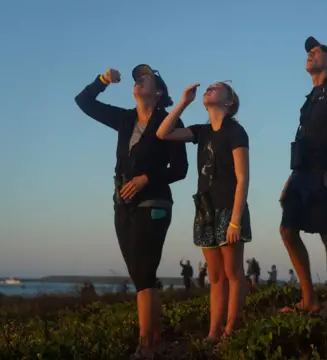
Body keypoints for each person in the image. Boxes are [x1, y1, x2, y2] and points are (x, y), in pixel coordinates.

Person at [74, 65, 188, 359]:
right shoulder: (125, 119)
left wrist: (146, 178)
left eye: (145, 78)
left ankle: (146, 346)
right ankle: (153, 340)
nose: (138, 81)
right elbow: (83, 102)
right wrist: (102, 81)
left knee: (143, 272)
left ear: (158, 92)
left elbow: (180, 169)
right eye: (137, 78)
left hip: (154, 204)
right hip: (122, 205)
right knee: (141, 277)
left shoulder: (169, 120)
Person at [156, 80, 251, 342]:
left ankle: (231, 331)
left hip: (228, 209)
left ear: (228, 102)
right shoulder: (202, 131)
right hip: (205, 210)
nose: (209, 89)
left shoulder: (235, 131)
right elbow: (163, 133)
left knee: (233, 274)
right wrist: (184, 102)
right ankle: (213, 332)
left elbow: (243, 178)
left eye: (216, 87)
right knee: (216, 276)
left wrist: (235, 221)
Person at [279, 36, 327, 316]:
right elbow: (302, 140)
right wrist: (290, 178)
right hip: (301, 174)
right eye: (309, 52)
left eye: (316, 51)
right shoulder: (310, 98)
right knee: (287, 230)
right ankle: (309, 299)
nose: (310, 54)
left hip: (325, 172)